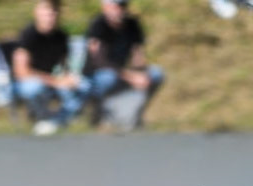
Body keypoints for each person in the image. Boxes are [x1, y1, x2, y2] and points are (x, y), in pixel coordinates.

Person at [12, 0, 90, 135]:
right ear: (37, 13)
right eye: (45, 13)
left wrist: (68, 78)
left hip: (53, 80)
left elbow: (65, 66)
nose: (50, 17)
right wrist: (55, 81)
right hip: (28, 81)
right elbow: (21, 72)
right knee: (34, 87)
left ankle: (59, 120)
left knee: (84, 85)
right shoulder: (28, 35)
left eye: (53, 13)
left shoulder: (61, 36)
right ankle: (41, 118)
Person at [84, 0, 163, 121]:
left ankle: (135, 111)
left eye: (122, 6)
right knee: (108, 77)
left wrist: (142, 74)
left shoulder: (132, 24)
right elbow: (99, 62)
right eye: (115, 6)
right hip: (98, 76)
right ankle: (96, 111)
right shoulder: (98, 25)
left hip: (122, 73)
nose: (119, 10)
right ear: (105, 7)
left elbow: (138, 55)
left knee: (156, 73)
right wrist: (131, 76)